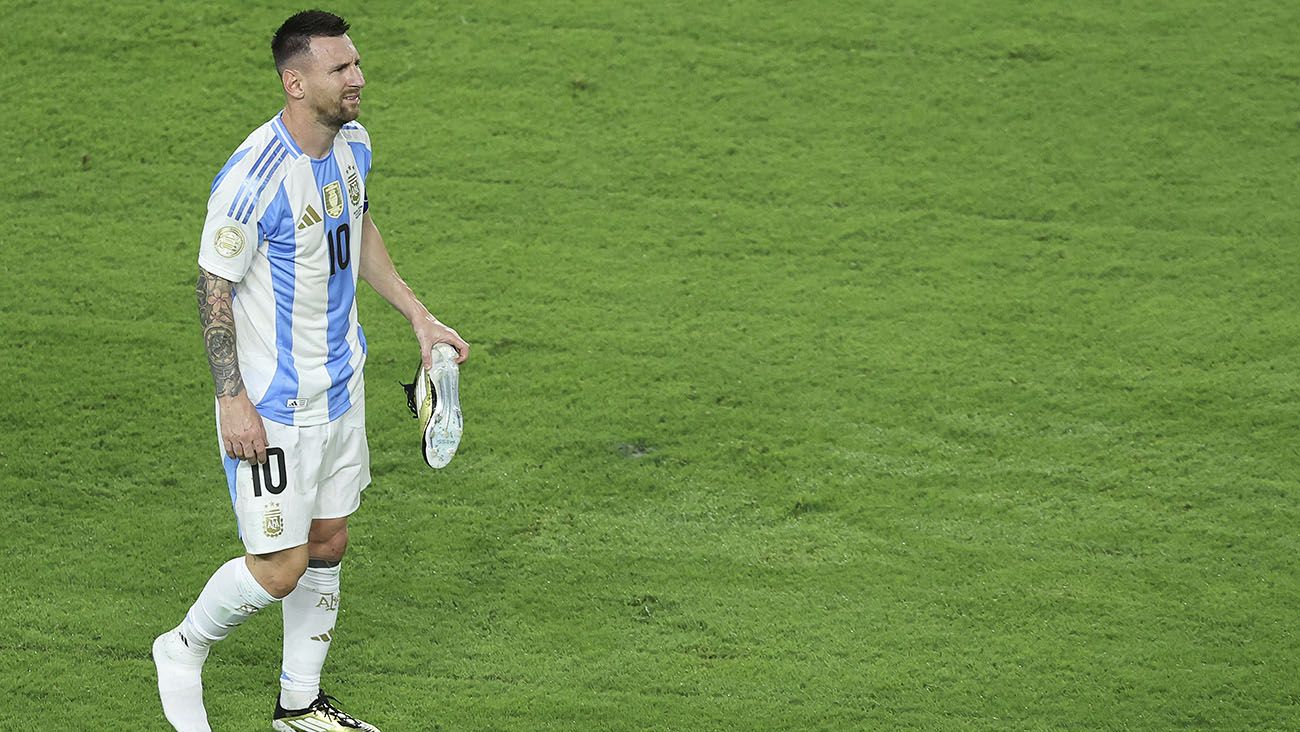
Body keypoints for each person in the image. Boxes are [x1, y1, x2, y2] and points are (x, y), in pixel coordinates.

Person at [152, 10, 469, 732]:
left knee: (329, 540)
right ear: (297, 83)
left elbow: (355, 227)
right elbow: (213, 287)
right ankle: (182, 648)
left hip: (341, 387)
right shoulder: (250, 178)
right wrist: (231, 399)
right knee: (280, 567)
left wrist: (419, 317)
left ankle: (298, 704)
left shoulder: (353, 145)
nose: (357, 78)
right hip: (273, 407)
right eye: (340, 69)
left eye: (355, 65)